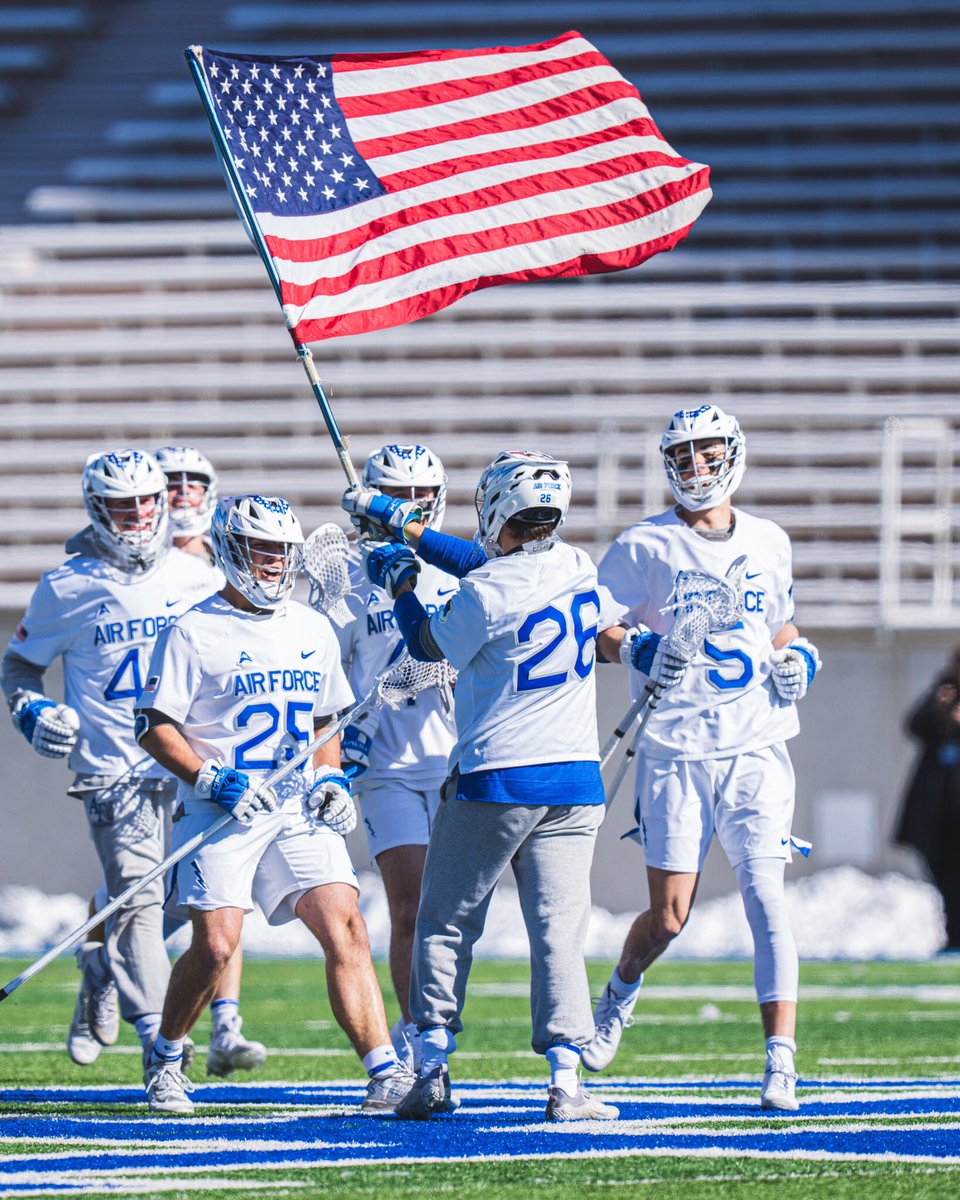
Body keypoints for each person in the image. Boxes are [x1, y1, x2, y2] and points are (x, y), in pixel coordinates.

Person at [342, 450, 678, 1121]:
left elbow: (428, 647)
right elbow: (495, 574)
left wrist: (402, 583)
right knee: (559, 931)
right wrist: (404, 528)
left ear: (497, 510)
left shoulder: (489, 591)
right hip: (576, 779)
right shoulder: (576, 567)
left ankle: (432, 1066)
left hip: (498, 774)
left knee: (445, 922)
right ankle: (565, 1080)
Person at [134, 494, 414, 1115]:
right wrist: (211, 778)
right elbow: (154, 726)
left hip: (293, 808)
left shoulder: (311, 628)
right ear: (233, 551)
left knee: (345, 920)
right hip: (222, 810)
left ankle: (385, 1072)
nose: (274, 567)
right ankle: (167, 1056)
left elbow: (325, 722)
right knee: (215, 946)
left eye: (282, 555)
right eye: (262, 553)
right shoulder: (191, 627)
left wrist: (331, 780)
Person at [585, 404, 821, 1112]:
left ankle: (781, 1060)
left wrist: (801, 659)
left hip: (756, 741)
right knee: (669, 915)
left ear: (733, 455)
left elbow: (780, 625)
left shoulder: (770, 540)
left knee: (766, 895)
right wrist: (633, 646)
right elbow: (594, 626)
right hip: (677, 748)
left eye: (708, 453)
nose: (697, 468)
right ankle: (619, 991)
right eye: (684, 457)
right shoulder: (644, 547)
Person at [1, 449, 217, 1068]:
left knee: (190, 899)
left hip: (193, 762)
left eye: (148, 502)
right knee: (138, 899)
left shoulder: (197, 575)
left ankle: (99, 961)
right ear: (97, 509)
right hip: (116, 770)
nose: (140, 515)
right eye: (124, 505)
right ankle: (158, 1041)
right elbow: (19, 666)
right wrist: (30, 712)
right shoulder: (67, 585)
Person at [329, 444, 457, 1070]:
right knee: (409, 906)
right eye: (397, 497)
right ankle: (418, 1034)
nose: (410, 509)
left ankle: (436, 1016)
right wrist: (350, 727)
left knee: (454, 912)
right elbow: (326, 673)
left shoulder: (458, 569)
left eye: (420, 498)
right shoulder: (349, 580)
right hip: (384, 765)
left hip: (458, 757)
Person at [154, 445, 266, 1078]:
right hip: (154, 736)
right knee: (137, 895)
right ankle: (106, 967)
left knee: (225, 900)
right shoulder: (129, 570)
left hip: (215, 745)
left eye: (194, 482)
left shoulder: (223, 568)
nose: (181, 494)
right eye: (170, 483)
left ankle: (225, 1025)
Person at [895, 645, 960, 952]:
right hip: (941, 811)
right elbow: (913, 725)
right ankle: (954, 936)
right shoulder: (942, 692)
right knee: (946, 877)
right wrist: (940, 709)